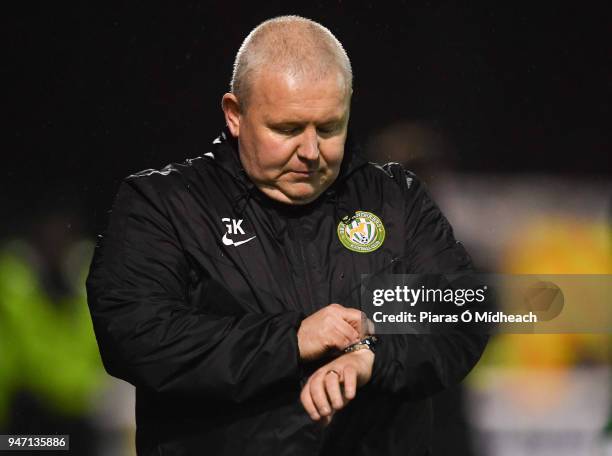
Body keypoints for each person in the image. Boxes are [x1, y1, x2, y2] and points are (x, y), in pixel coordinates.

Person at [86, 15, 487, 456]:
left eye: (330, 127)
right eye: (288, 129)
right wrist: (292, 339)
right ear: (235, 114)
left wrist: (373, 355)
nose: (312, 152)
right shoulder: (162, 205)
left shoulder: (397, 199)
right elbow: (138, 336)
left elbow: (461, 313)